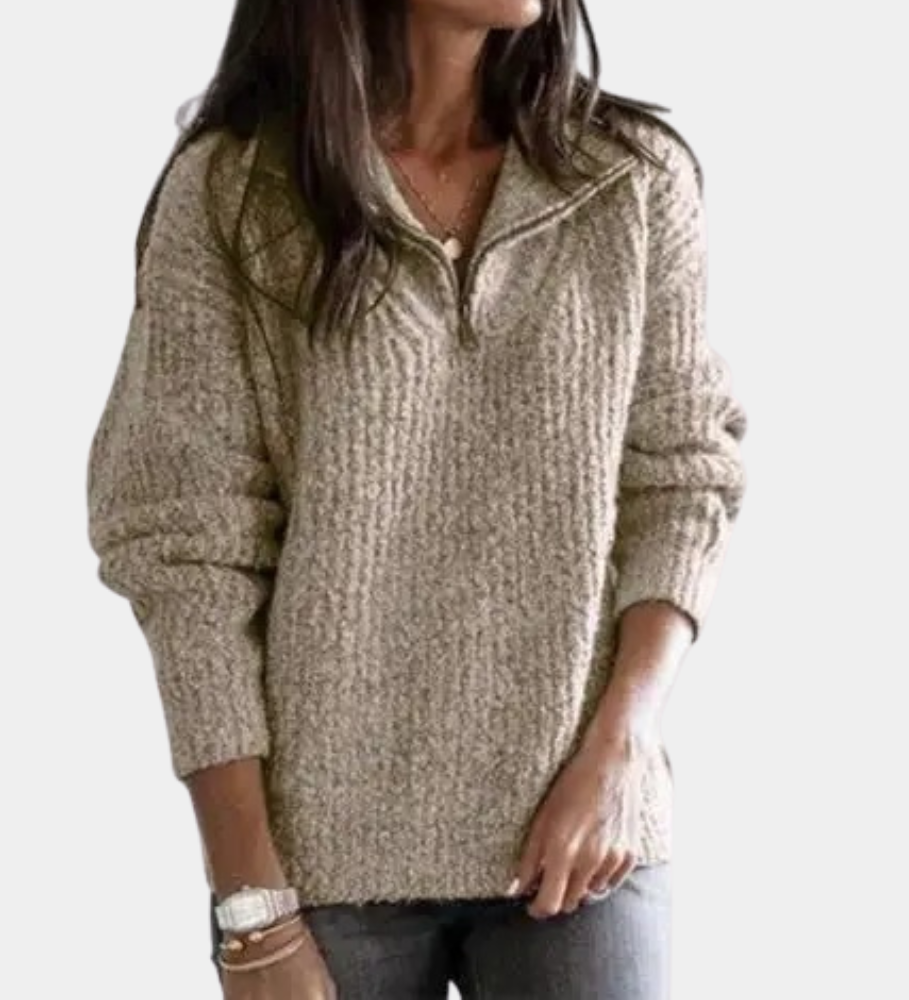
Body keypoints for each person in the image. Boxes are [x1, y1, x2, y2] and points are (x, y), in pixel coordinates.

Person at [85, 1, 749, 997]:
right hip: (321, 862)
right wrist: (249, 904)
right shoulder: (236, 194)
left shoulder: (630, 179)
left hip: (582, 839)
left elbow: (684, 475)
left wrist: (622, 746)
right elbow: (185, 552)